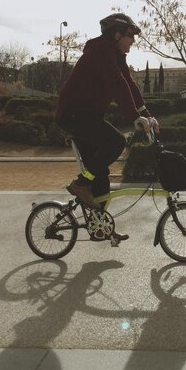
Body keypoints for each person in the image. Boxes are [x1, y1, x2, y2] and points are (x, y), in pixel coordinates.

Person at [55, 13, 159, 241]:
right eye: (131, 37)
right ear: (118, 34)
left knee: (101, 173)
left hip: (86, 116)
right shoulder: (101, 51)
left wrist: (147, 115)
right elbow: (116, 84)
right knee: (116, 142)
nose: (133, 42)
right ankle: (81, 184)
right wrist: (134, 117)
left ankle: (99, 227)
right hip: (74, 114)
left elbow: (129, 85)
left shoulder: (115, 55)